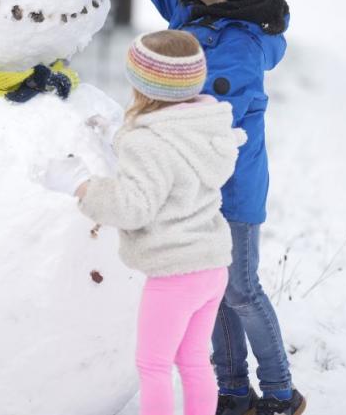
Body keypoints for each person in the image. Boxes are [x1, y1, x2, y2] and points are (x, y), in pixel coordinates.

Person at [66, 0, 314, 415]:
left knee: (240, 291)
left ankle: (278, 393)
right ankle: (229, 392)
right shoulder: (197, 11)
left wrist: (139, 125)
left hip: (232, 195)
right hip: (198, 193)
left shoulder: (238, 51)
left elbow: (195, 114)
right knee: (212, 294)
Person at [43, 29, 246, 415]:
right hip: (212, 267)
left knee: (152, 366)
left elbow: (134, 206)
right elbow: (167, 170)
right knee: (194, 362)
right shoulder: (203, 127)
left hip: (174, 274)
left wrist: (82, 186)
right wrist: (114, 141)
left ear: (143, 84)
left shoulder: (148, 142)